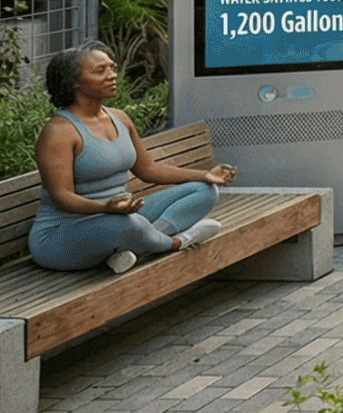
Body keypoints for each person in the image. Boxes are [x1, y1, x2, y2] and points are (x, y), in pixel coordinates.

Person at [28, 43, 233, 274]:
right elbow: (61, 197)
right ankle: (177, 242)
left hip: (119, 217)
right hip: (63, 236)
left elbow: (147, 168)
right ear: (74, 80)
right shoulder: (59, 132)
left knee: (204, 191)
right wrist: (106, 207)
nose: (112, 75)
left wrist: (205, 175)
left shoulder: (120, 118)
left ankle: (128, 250)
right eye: (100, 71)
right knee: (130, 224)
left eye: (112, 68)